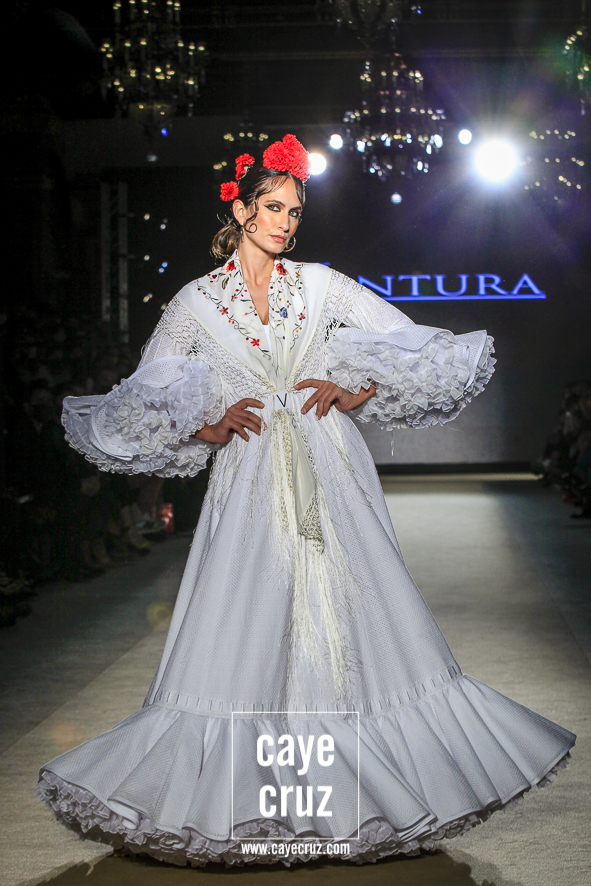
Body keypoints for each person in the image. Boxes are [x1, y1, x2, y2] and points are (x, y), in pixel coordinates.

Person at [36, 134, 575, 868]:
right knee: (253, 621)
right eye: (273, 207)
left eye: (294, 211)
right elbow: (145, 391)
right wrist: (206, 425)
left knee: (348, 615)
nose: (286, 223)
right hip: (250, 473)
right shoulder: (194, 303)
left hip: (329, 463)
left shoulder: (322, 284)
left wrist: (358, 388)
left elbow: (404, 337)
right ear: (241, 209)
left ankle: (357, 794)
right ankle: (257, 798)